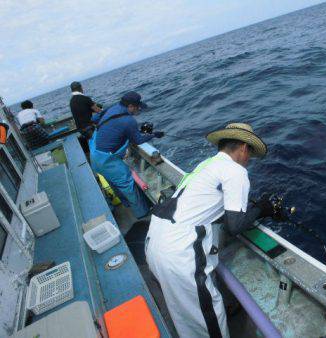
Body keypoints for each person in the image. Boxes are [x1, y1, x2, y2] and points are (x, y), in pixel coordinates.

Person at [145, 123, 275, 338]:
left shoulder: (206, 165)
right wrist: (262, 208)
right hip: (180, 254)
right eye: (249, 153)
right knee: (208, 322)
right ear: (243, 148)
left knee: (185, 315)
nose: (249, 158)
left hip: (155, 241)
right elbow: (234, 226)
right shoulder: (236, 171)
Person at [89, 91, 164, 219]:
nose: (139, 109)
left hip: (94, 153)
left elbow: (94, 119)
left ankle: (126, 203)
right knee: (127, 184)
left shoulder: (112, 108)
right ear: (130, 106)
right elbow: (138, 140)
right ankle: (143, 214)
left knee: (113, 182)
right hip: (107, 160)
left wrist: (114, 130)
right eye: (137, 106)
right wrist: (154, 135)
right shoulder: (129, 121)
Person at [69, 81, 102, 153]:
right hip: (89, 128)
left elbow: (82, 111)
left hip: (81, 130)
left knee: (92, 144)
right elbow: (98, 111)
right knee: (98, 146)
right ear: (81, 88)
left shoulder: (71, 101)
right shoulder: (85, 98)